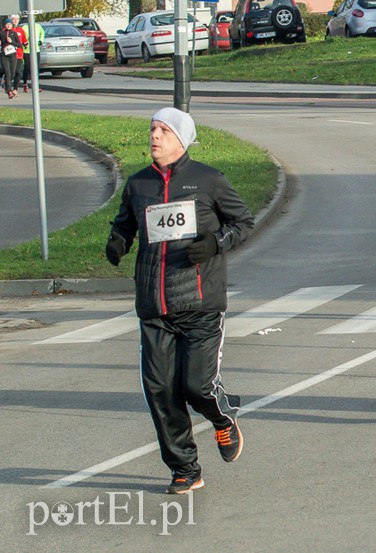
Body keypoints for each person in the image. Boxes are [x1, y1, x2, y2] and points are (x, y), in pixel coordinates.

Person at [105, 107, 255, 494]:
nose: (154, 136)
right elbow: (125, 221)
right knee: (160, 393)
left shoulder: (208, 180)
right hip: (155, 306)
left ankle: (222, 418)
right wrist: (119, 240)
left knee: (196, 386)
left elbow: (242, 223)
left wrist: (214, 243)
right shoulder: (139, 184)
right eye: (152, 129)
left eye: (163, 130)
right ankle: (185, 468)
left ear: (181, 139)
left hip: (200, 302)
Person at [0, 18, 23, 99]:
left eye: (10, 24)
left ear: (11, 25)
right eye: (7, 24)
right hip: (4, 56)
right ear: (5, 25)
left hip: (13, 56)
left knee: (12, 73)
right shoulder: (2, 33)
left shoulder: (14, 33)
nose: (8, 25)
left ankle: (7, 85)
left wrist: (11, 42)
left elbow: (19, 45)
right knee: (7, 73)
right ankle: (9, 91)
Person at [20, 18, 44, 93]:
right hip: (27, 50)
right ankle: (25, 84)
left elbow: (42, 33)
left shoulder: (38, 26)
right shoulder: (24, 27)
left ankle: (36, 86)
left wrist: (41, 41)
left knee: (36, 68)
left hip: (36, 50)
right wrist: (24, 43)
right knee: (27, 68)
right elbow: (21, 37)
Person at [9, 14, 25, 96]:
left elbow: (24, 40)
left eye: (17, 19)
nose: (15, 21)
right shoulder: (7, 29)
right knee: (11, 72)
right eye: (14, 19)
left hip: (19, 54)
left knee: (18, 72)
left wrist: (26, 44)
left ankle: (15, 89)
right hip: (10, 55)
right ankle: (8, 86)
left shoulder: (20, 30)